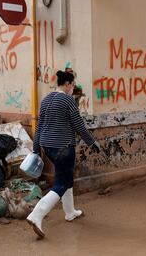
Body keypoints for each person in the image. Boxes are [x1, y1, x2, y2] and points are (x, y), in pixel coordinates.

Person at [26, 69, 101, 239]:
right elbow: (79, 125)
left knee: (66, 177)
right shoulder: (67, 100)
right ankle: (37, 215)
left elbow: (38, 127)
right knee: (63, 181)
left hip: (48, 147)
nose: (73, 88)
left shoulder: (46, 100)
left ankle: (70, 212)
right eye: (73, 85)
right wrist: (92, 142)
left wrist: (37, 149)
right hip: (63, 147)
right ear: (67, 84)